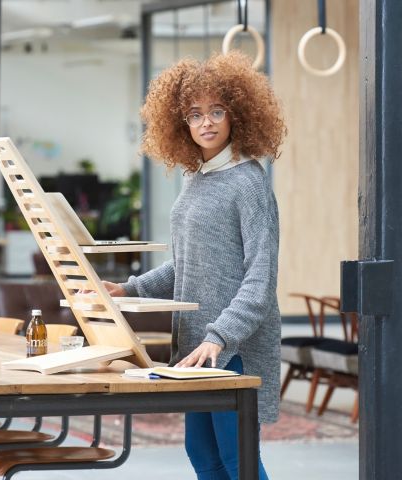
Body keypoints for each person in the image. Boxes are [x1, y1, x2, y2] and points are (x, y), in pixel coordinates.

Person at [103, 51, 286, 479]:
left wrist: (220, 337)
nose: (206, 122)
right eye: (194, 114)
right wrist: (129, 290)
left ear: (238, 114)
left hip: (232, 346)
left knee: (236, 460)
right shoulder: (196, 179)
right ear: (181, 123)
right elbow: (186, 265)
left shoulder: (248, 182)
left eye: (217, 111)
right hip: (195, 346)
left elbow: (261, 277)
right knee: (202, 456)